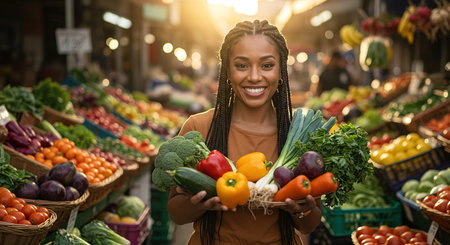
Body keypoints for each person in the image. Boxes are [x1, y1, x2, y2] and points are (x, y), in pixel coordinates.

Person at [167, 20, 321, 245]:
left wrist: (299, 210)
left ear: (281, 70)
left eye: (267, 65)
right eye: (242, 65)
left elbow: (310, 223)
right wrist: (196, 205)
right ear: (228, 71)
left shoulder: (300, 134)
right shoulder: (198, 128)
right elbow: (176, 213)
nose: (255, 76)